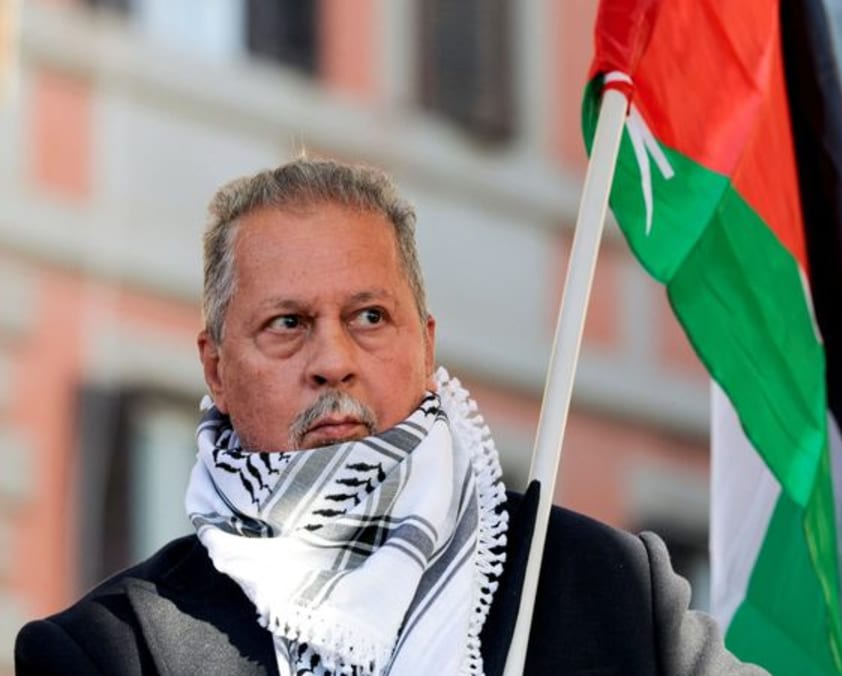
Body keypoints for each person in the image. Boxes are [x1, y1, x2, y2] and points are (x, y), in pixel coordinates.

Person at [14, 159, 765, 675]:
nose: (333, 361)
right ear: (216, 368)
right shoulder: (111, 652)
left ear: (426, 345)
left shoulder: (606, 586)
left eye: (369, 317)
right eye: (287, 324)